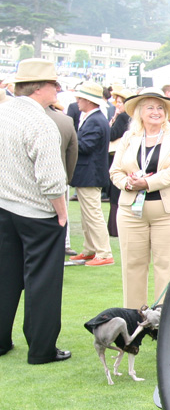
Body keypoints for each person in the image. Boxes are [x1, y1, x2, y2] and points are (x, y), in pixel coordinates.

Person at [0, 59, 71, 364]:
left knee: (5, 275)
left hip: (5, 206)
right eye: (54, 84)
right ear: (40, 88)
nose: (58, 89)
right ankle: (41, 350)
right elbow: (52, 180)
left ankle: (2, 341)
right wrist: (62, 211)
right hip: (38, 212)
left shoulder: (4, 113)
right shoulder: (42, 123)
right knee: (43, 281)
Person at [109, 89, 170, 308]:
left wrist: (147, 183)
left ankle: (163, 323)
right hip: (130, 212)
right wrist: (128, 183)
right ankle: (133, 320)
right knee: (132, 266)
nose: (156, 112)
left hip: (168, 214)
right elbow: (115, 171)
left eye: (160, 108)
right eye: (150, 107)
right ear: (139, 112)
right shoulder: (129, 138)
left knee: (167, 267)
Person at [68, 82, 115, 267]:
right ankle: (90, 250)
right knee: (87, 214)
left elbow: (86, 146)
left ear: (88, 100)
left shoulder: (95, 120)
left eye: (80, 98)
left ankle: (104, 253)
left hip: (90, 174)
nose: (77, 101)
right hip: (86, 174)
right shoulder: (92, 118)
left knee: (93, 214)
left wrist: (69, 140)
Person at [43, 99, 79, 257]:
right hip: (60, 179)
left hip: (22, 186)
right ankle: (64, 244)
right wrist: (67, 180)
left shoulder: (16, 117)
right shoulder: (65, 121)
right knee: (61, 216)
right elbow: (73, 154)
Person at [107, 86, 132, 238]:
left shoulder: (123, 117)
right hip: (123, 157)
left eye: (120, 102)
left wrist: (114, 119)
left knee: (116, 192)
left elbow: (111, 134)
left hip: (117, 155)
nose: (118, 105)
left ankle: (114, 228)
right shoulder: (130, 117)